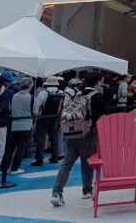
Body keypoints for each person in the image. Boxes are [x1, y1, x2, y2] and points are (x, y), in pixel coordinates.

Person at [50, 71, 107, 207]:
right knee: (87, 163)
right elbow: (101, 117)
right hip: (88, 134)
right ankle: (87, 189)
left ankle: (57, 193)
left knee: (66, 163)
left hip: (70, 133)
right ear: (98, 82)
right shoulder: (97, 96)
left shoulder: (77, 94)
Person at [2, 77, 34, 175]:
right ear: (30, 86)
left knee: (10, 147)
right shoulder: (32, 98)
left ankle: (3, 168)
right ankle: (15, 168)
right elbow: (35, 111)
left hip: (14, 124)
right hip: (26, 124)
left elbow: (9, 108)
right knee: (21, 147)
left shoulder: (14, 96)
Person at [0, 70, 19, 167]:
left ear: (4, 81)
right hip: (13, 119)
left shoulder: (8, 92)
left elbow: (3, 108)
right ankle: (6, 158)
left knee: (1, 141)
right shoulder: (17, 90)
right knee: (7, 140)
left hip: (2, 119)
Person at [32, 76, 64, 166]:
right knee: (54, 138)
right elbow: (63, 106)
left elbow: (37, 107)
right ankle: (55, 157)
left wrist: (36, 120)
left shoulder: (43, 93)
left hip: (44, 117)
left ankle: (39, 159)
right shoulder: (61, 93)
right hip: (56, 117)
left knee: (41, 139)